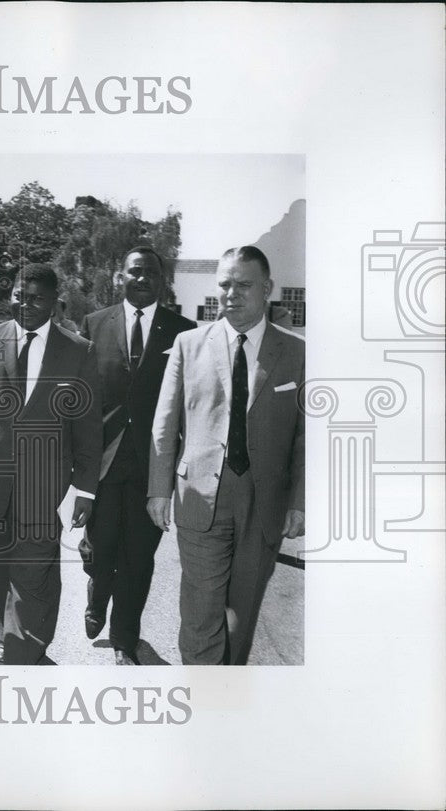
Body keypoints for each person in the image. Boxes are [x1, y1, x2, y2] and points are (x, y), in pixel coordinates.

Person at [148, 245, 305, 665]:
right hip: (199, 497)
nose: (231, 294)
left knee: (241, 616)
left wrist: (299, 503)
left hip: (264, 503)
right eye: (225, 285)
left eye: (243, 285)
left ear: (267, 289)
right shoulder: (188, 344)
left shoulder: (297, 353)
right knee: (200, 614)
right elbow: (165, 423)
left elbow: (306, 440)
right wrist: (158, 490)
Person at [0, 264, 102, 665]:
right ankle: (10, 631)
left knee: (34, 570)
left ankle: (24, 644)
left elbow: (87, 427)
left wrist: (86, 489)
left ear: (55, 303)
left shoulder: (78, 351)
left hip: (47, 484)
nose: (26, 304)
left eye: (37, 298)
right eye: (20, 295)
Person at [78, 247, 196, 665]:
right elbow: (81, 399)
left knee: (138, 559)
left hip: (154, 467)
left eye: (151, 273)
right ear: (120, 276)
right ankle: (97, 592)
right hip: (104, 464)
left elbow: (188, 404)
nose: (142, 278)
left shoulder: (184, 332)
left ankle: (124, 637)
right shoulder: (93, 324)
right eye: (135, 271)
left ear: (162, 281)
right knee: (103, 548)